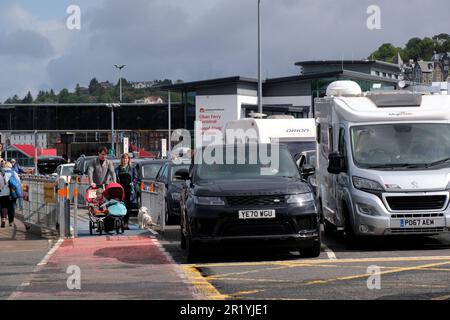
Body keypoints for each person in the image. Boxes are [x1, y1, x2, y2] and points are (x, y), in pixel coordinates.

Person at [115, 153, 138, 230]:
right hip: (120, 190)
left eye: (126, 158)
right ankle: (120, 222)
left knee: (128, 207)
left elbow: (136, 179)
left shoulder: (132, 168)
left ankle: (126, 223)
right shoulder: (118, 169)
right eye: (123, 158)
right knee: (120, 206)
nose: (125, 160)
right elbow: (115, 180)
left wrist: (133, 183)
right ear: (121, 160)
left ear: (128, 160)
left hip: (129, 190)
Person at [0, 162, 20, 227]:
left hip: (2, 193)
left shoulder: (0, 174)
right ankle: (11, 222)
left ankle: (3, 219)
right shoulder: (13, 173)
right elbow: (18, 182)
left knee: (3, 206)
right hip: (12, 193)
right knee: (11, 207)